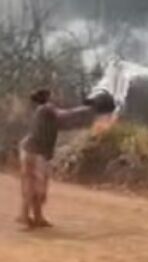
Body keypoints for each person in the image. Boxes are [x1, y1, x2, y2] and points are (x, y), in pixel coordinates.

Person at [17, 88, 101, 229]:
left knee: (35, 186)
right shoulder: (47, 108)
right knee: (35, 187)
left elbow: (67, 122)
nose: (57, 97)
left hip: (33, 151)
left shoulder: (43, 111)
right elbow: (67, 116)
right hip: (34, 152)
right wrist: (88, 108)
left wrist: (87, 111)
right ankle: (26, 217)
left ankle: (34, 217)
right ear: (47, 97)